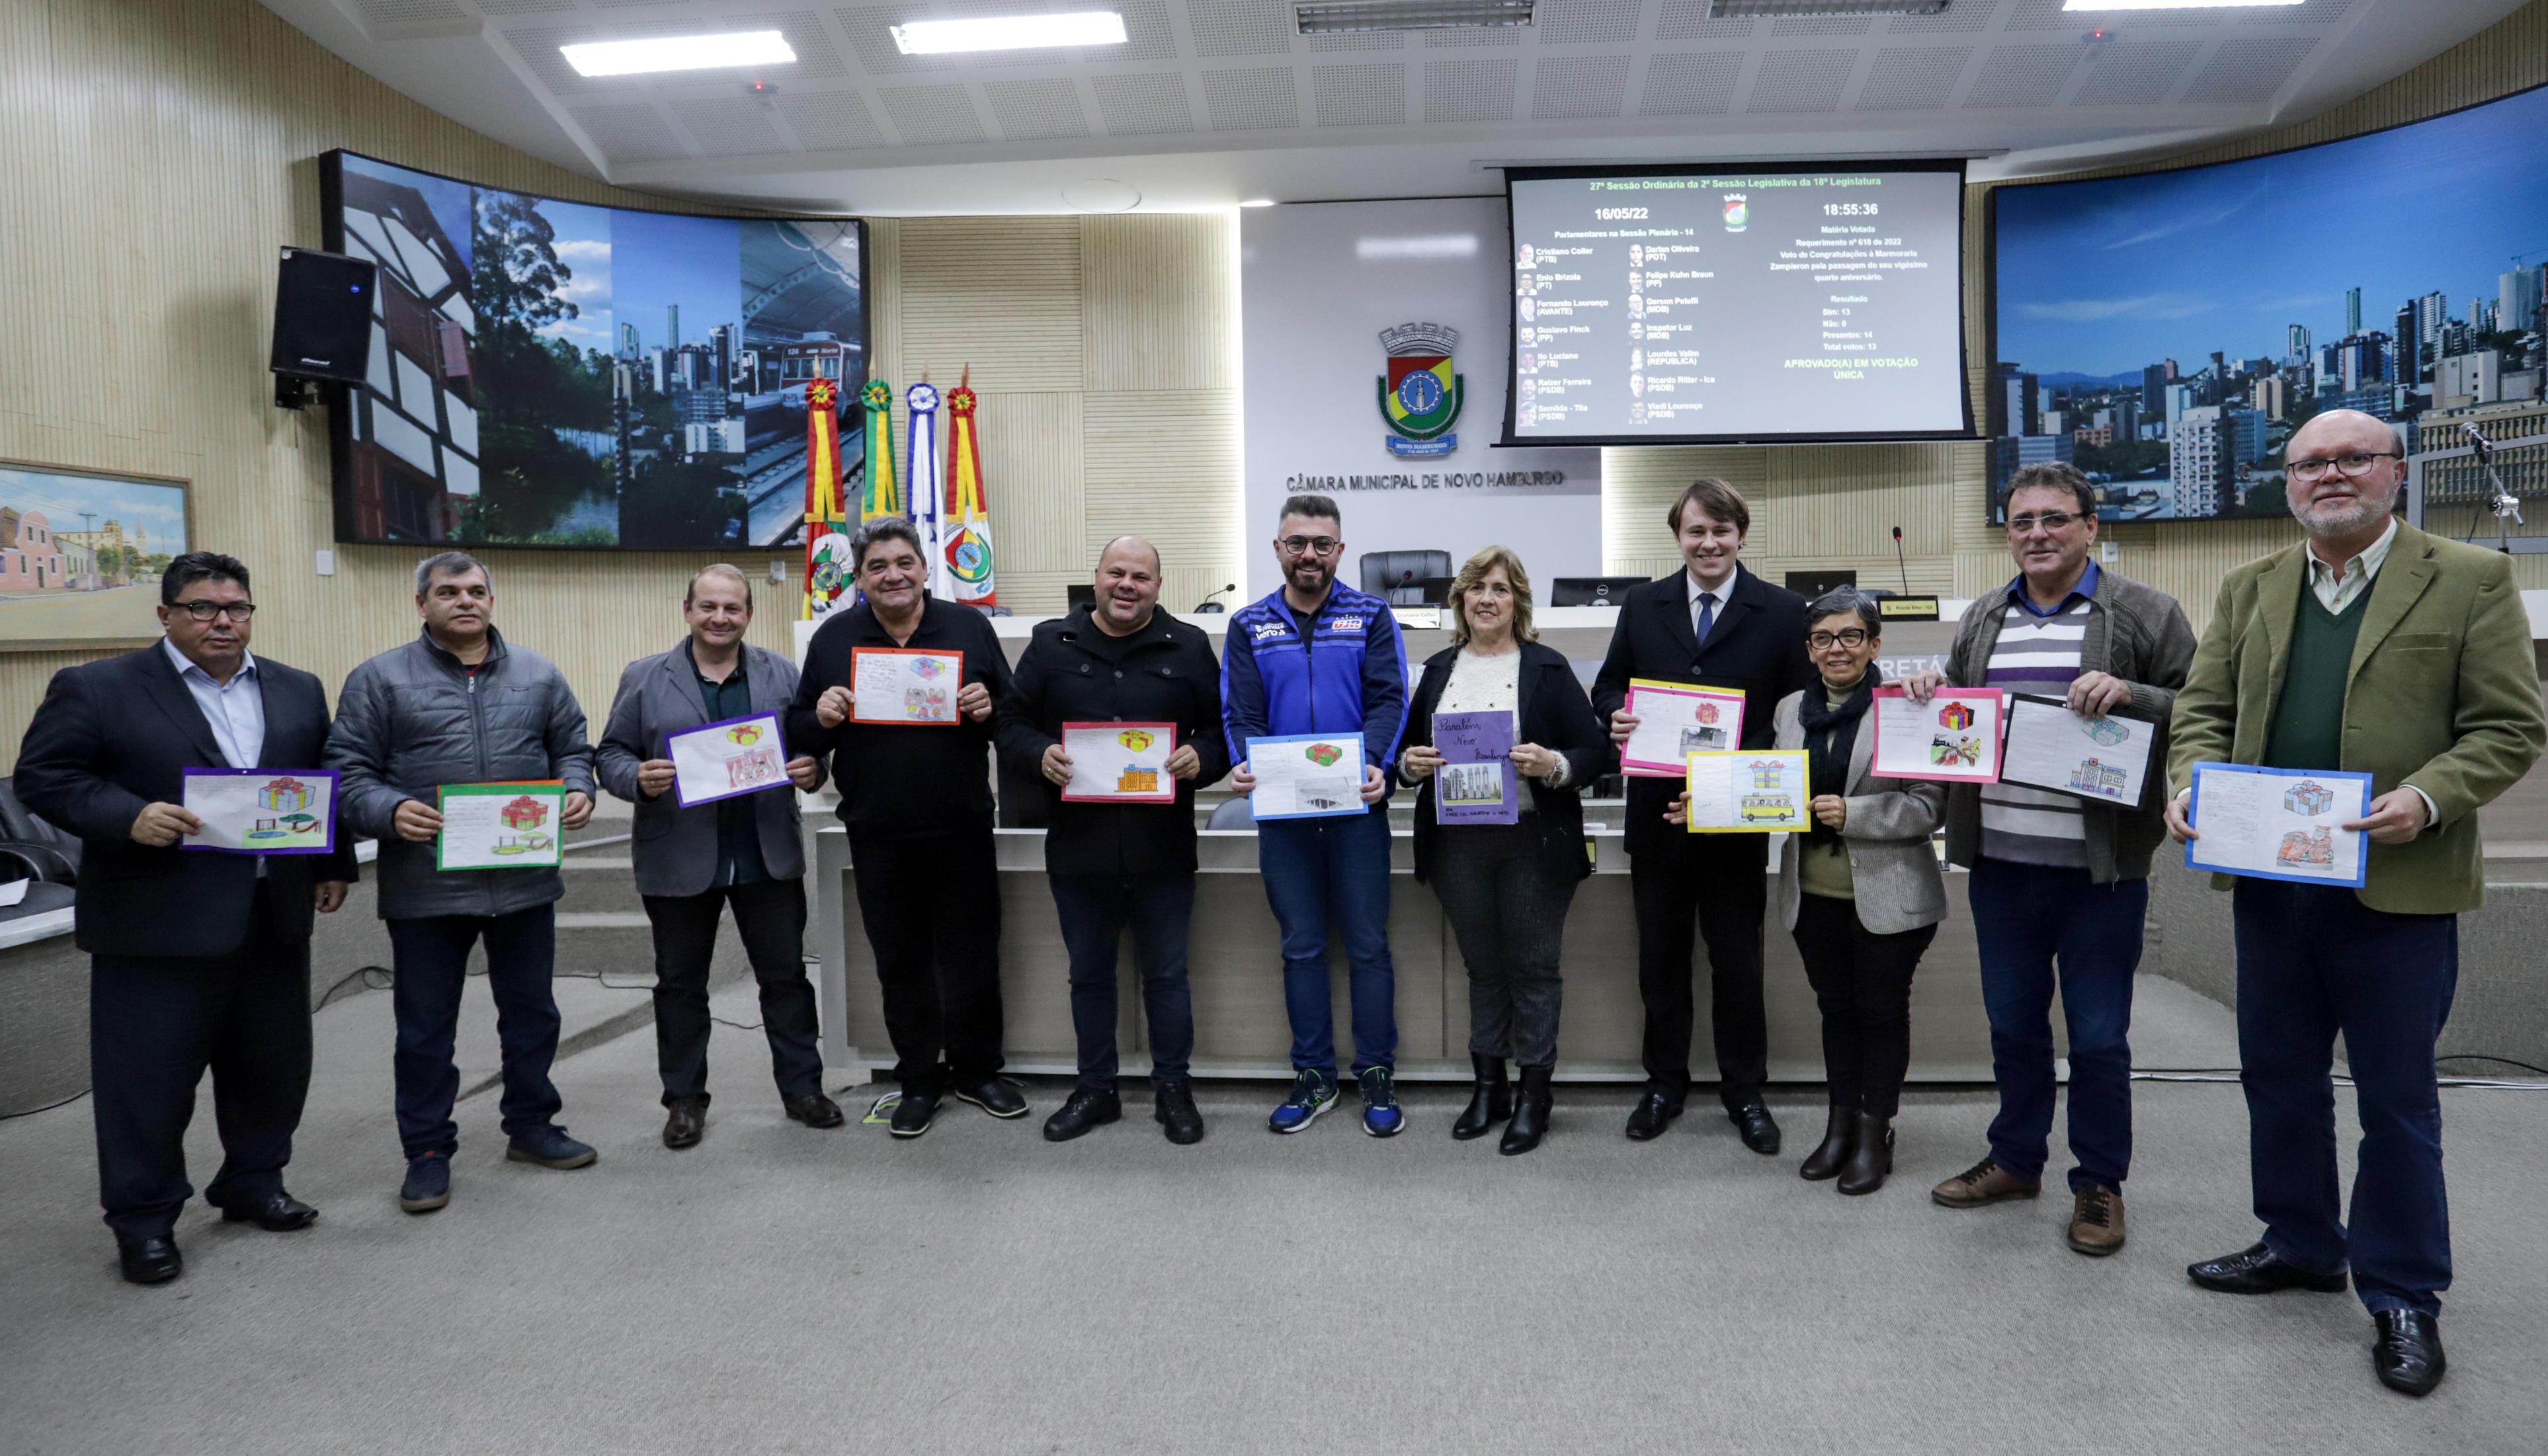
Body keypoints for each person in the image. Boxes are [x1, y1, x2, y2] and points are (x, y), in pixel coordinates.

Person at [2164, 409, 2545, 1398]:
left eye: (2350, 458)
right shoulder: (2250, 587)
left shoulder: (2468, 578)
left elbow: (2508, 725)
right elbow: (2202, 708)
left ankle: (2404, 1290)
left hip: (2398, 888)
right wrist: (2192, 783)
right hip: (2271, 885)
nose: (2329, 475)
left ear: (2394, 472)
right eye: (2308, 463)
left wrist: (2426, 796)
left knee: (2397, 1101)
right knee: (2277, 1078)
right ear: (2287, 482)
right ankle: (2298, 1240)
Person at [16, 553, 358, 1285]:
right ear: (166, 615)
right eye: (203, 608)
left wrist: (333, 866)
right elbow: (46, 775)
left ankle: (252, 1182)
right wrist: (127, 815)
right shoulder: (99, 687)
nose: (223, 621)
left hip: (272, 913)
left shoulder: (296, 689)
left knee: (272, 1066)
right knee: (148, 1084)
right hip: (156, 922)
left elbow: (316, 785)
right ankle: (143, 1223)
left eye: (237, 608)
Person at [1901, 461, 2195, 1256]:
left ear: (2090, 527)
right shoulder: (1983, 614)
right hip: (2000, 863)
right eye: (2022, 520)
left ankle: (2099, 1182)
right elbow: (1964, 710)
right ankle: (2014, 1158)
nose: (2037, 533)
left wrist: (2130, 695)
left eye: (2054, 519)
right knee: (2013, 1026)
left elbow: (2204, 704)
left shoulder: (2142, 611)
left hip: (2098, 874)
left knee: (2098, 1036)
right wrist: (1933, 686)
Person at [327, 551, 598, 1215]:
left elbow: (572, 747)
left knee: (532, 1015)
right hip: (427, 887)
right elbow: (347, 771)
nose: (465, 601)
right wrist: (388, 810)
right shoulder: (379, 679)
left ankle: (531, 1126)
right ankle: (426, 1151)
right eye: (448, 592)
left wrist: (578, 788)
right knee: (424, 1029)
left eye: (477, 591)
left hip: (524, 880)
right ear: (422, 603)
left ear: (491, 601)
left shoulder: (538, 674)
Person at [1591, 478, 1813, 1153]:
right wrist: (1614, 714)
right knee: (1660, 961)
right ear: (1678, 537)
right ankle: (1664, 1084)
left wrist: (1748, 785)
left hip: (1733, 818)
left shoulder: (1781, 611)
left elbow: (1798, 715)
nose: (1708, 543)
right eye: (1695, 531)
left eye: (1720, 530)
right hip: (1656, 815)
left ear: (1740, 534)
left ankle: (1744, 1090)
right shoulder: (1642, 603)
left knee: (1737, 963)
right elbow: (1607, 684)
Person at [786, 516, 1020, 1140]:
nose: (892, 575)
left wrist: (987, 706)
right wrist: (823, 716)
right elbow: (798, 728)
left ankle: (978, 1071)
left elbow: (1013, 715)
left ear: (923, 568)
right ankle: (919, 1079)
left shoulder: (968, 627)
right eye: (877, 567)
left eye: (903, 562)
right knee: (901, 960)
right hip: (878, 829)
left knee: (972, 955)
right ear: (860, 579)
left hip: (961, 823)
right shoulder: (836, 638)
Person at [995, 536, 1230, 1144]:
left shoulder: (1189, 645)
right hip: (1080, 847)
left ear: (1158, 585)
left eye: (1141, 577)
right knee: (1089, 975)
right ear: (1095, 578)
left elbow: (1224, 731)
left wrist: (1199, 756)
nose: (1128, 585)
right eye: (1116, 573)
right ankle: (1095, 1090)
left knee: (1168, 977)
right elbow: (1010, 722)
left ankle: (1172, 1089)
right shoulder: (1052, 644)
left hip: (1163, 847)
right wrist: (1039, 752)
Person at [596, 565, 839, 1149]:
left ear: (748, 615)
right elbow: (609, 754)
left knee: (785, 980)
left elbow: (807, 747)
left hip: (766, 854)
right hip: (678, 854)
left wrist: (812, 769)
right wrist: (638, 777)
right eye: (708, 607)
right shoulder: (646, 677)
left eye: (732, 608)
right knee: (680, 984)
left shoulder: (781, 672)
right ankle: (683, 1101)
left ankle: (803, 1089)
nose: (720, 618)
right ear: (687, 611)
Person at [1398, 546, 1610, 1155]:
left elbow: (1597, 753)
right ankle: (1487, 1086)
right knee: (1483, 969)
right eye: (1475, 589)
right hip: (1456, 843)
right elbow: (1409, 754)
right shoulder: (1439, 669)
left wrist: (1554, 764)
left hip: (1531, 840)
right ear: (1460, 601)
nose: (1486, 599)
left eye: (1499, 588)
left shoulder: (1546, 666)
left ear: (1517, 602)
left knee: (1533, 970)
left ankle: (1533, 1096)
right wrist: (1410, 766)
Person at [1222, 493, 1410, 1136]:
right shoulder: (1249, 624)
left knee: (1367, 947)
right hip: (1283, 816)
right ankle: (1313, 1075)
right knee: (1301, 949)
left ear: (1339, 550)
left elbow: (1389, 699)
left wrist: (1378, 761)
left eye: (1322, 544)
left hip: (1357, 810)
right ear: (1278, 549)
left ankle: (1377, 1072)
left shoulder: (1371, 615)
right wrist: (1244, 761)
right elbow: (1240, 712)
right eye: (1297, 542)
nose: (1309, 554)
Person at [1752, 589, 1946, 1195]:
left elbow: (1928, 805)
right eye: (1823, 638)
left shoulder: (1907, 708)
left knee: (1880, 1014)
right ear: (1808, 650)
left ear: (1874, 644)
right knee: (1835, 1013)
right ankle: (1839, 1126)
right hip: (1811, 892)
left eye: (1850, 636)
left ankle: (1874, 1132)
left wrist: (1852, 813)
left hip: (1889, 896)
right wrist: (1708, 805)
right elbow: (1765, 789)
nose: (1836, 649)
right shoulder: (1788, 711)